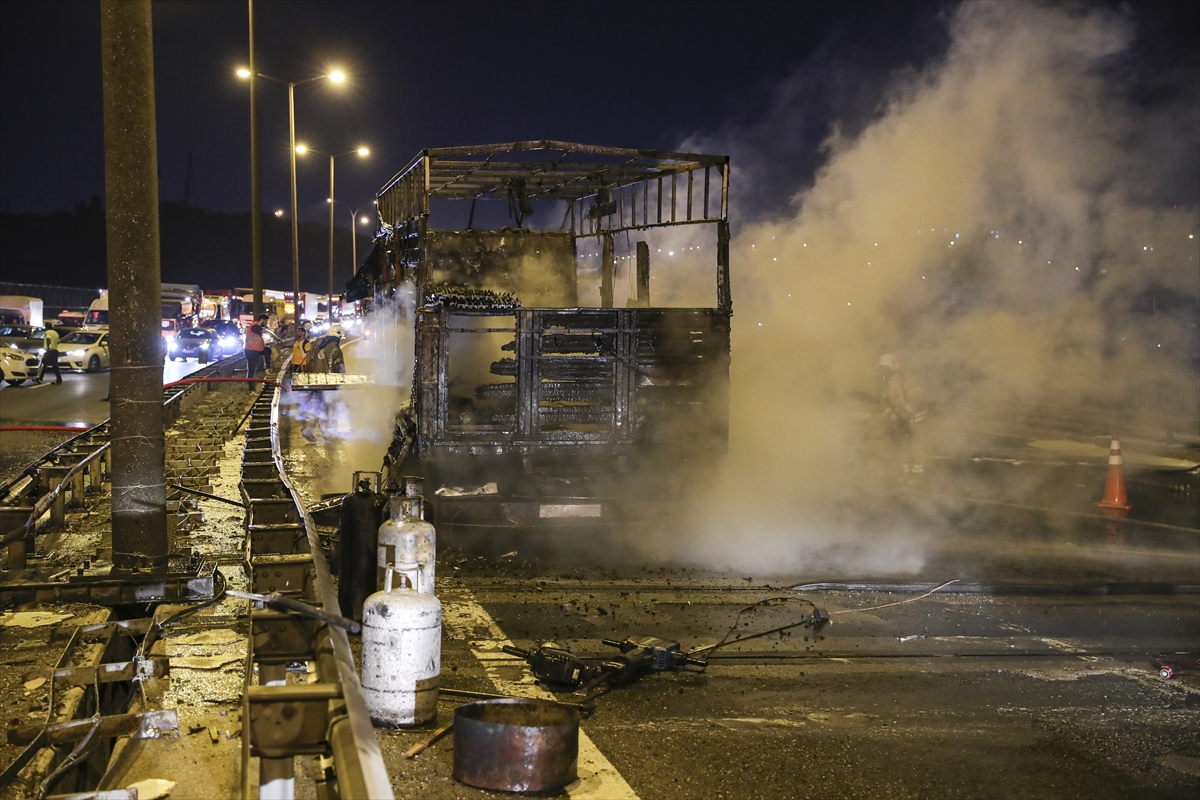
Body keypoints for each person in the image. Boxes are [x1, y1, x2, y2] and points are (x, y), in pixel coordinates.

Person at [878, 353, 926, 478]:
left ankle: (916, 476)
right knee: (901, 446)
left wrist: (906, 415)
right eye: (881, 369)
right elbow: (885, 401)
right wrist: (891, 415)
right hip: (901, 419)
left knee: (915, 447)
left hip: (915, 419)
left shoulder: (907, 379)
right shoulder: (886, 382)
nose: (882, 372)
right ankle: (904, 475)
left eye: (885, 369)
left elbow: (917, 397)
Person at [244, 313, 278, 384]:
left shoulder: (256, 327)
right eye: (265, 321)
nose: (266, 324)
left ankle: (268, 368)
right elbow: (266, 332)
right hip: (251, 351)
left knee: (268, 350)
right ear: (262, 320)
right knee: (251, 371)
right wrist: (277, 338)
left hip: (256, 350)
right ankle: (251, 389)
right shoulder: (255, 327)